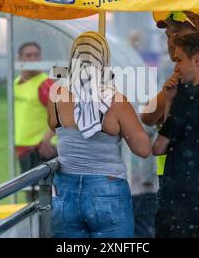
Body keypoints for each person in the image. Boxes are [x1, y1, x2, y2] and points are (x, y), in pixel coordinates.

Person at [47, 31, 151, 238]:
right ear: (104, 60)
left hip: (65, 191)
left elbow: (53, 125)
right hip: (107, 189)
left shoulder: (57, 95)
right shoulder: (115, 101)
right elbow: (143, 149)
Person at [141, 11, 199, 194]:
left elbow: (148, 116)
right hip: (194, 171)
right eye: (168, 35)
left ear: (197, 37)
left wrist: (163, 117)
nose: (171, 41)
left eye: (178, 33)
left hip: (185, 173)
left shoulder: (190, 76)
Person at [152, 32, 199, 238]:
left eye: (179, 60)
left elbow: (158, 148)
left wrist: (168, 102)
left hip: (179, 205)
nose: (176, 67)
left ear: (197, 60)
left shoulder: (188, 97)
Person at [14, 42, 57, 200]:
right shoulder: (16, 82)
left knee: (42, 199)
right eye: (28, 55)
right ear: (19, 58)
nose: (33, 59)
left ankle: (45, 225)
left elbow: (59, 114)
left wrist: (46, 140)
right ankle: (34, 225)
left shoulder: (45, 84)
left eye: (36, 55)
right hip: (23, 149)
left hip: (40, 150)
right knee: (30, 197)